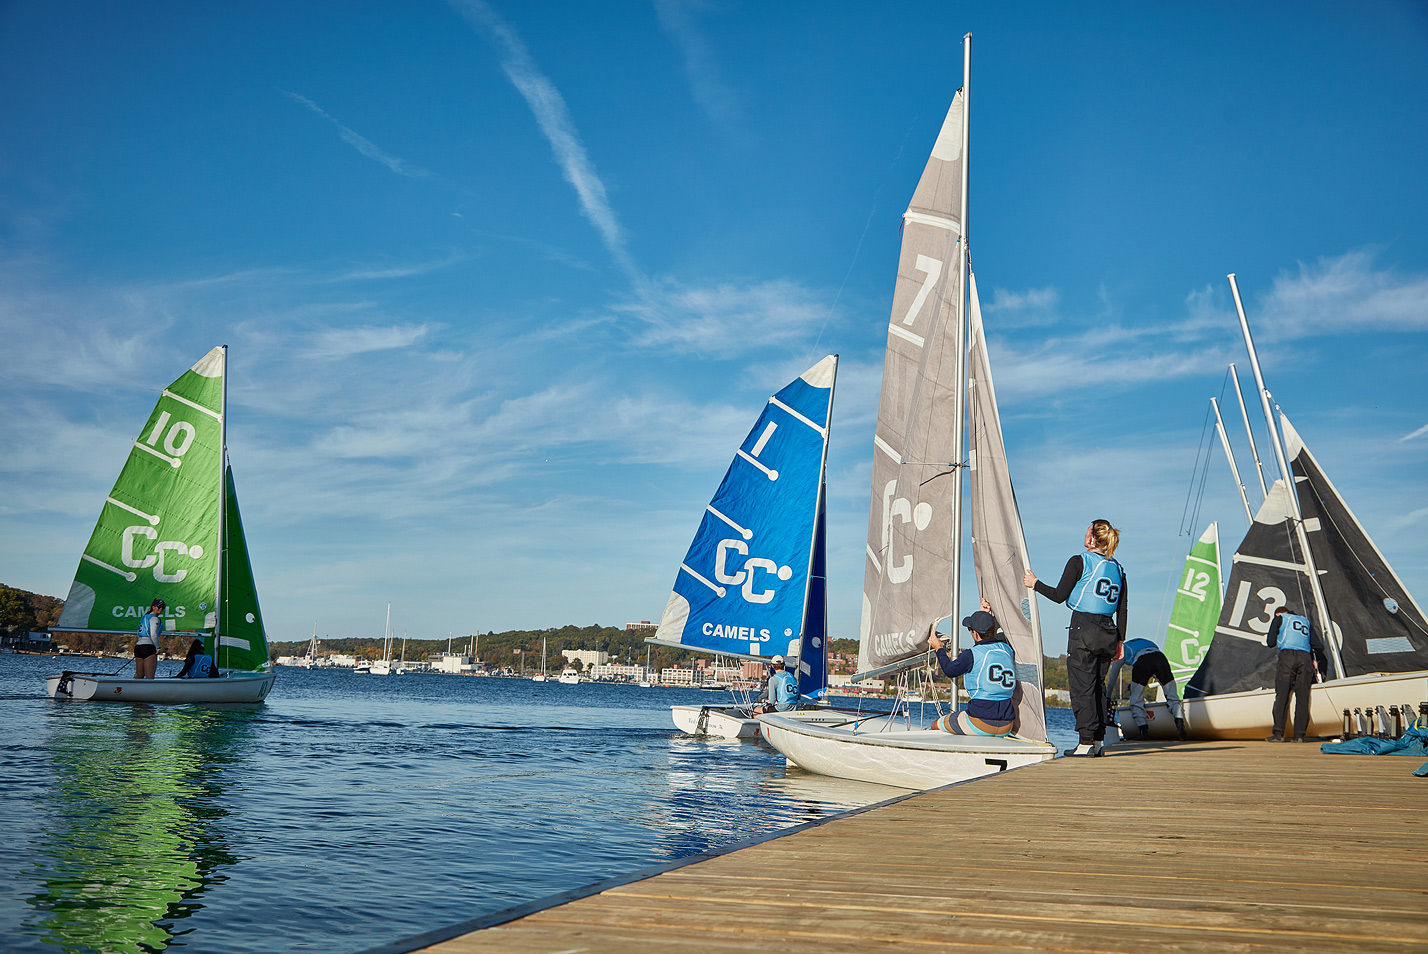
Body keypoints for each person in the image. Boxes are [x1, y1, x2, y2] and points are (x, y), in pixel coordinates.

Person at [1024, 519, 1127, 757]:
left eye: (1087, 530)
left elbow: (1060, 596)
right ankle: (1098, 742)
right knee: (1098, 688)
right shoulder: (1119, 569)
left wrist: (1035, 584)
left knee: (1082, 688)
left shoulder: (1079, 561)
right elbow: (1123, 608)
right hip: (1108, 632)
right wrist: (1120, 641)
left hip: (1085, 628)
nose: (1084, 534)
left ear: (1091, 538)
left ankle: (1084, 742)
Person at [928, 601, 1017, 737]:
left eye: (970, 630)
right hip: (1007, 725)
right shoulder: (1007, 649)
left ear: (975, 633)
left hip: (980, 723)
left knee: (936, 724)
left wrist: (938, 647)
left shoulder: (971, 654)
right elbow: (990, 638)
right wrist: (984, 615)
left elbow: (949, 670)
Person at [1265, 605, 1329, 742]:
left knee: (1282, 696)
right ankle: (1299, 735)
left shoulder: (1279, 618)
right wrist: (1315, 660)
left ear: (1279, 613)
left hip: (1288, 657)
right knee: (1302, 698)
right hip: (1305, 659)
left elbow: (1270, 642)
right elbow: (1318, 646)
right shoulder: (1305, 621)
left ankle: (1278, 734)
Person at [1106, 637, 1186, 741]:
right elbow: (1152, 663)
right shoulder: (1137, 642)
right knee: (1172, 695)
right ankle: (1180, 725)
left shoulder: (1120, 651)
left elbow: (1113, 676)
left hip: (1143, 662)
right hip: (1160, 658)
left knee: (1136, 699)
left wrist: (1107, 696)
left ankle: (1143, 732)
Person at [135, 598, 165, 679]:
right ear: (153, 607)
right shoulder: (155, 618)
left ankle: (133, 690)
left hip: (138, 647)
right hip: (148, 647)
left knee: (139, 676)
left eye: (163, 607)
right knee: (150, 677)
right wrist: (158, 647)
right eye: (159, 607)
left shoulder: (144, 617)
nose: (161, 609)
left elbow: (138, 633)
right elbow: (154, 635)